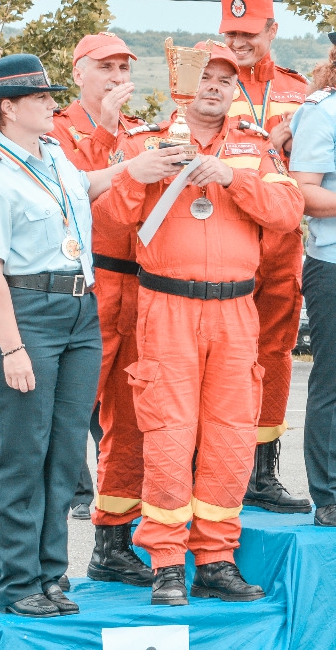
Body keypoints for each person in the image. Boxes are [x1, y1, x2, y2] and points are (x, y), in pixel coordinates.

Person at [94, 42, 304, 605]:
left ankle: (215, 559)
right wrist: (139, 175)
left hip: (236, 310)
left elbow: (288, 214)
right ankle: (166, 562)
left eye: (225, 79)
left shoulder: (254, 147)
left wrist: (233, 179)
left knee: (230, 435)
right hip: (167, 306)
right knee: (168, 434)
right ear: (182, 82)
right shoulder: (146, 143)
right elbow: (108, 221)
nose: (214, 86)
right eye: (205, 76)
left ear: (236, 89)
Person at [0, 53, 130, 618]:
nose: (51, 104)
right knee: (22, 453)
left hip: (79, 309)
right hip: (25, 312)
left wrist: (137, 167)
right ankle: (18, 584)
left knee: (63, 454)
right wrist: (11, 348)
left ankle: (51, 576)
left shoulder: (54, 155)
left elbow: (86, 188)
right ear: (8, 108)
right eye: (40, 98)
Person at [51, 32, 152, 586]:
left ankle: (114, 543)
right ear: (79, 72)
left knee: (130, 422)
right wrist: (107, 129)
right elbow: (74, 195)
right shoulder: (55, 129)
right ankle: (42, 555)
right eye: (105, 67)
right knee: (66, 419)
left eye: (123, 68)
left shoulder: (140, 133)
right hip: (85, 284)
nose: (117, 77)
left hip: (138, 286)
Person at [219, 0, 311, 513]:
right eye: (231, 33)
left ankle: (263, 471)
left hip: (283, 244)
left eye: (249, 33)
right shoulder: (208, 84)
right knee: (221, 356)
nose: (238, 42)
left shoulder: (300, 92)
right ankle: (213, 468)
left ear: (272, 31)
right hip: (228, 239)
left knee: (274, 354)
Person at [289, 33, 336, 526]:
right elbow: (303, 193)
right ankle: (330, 495)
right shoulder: (324, 112)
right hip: (333, 264)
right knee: (333, 381)